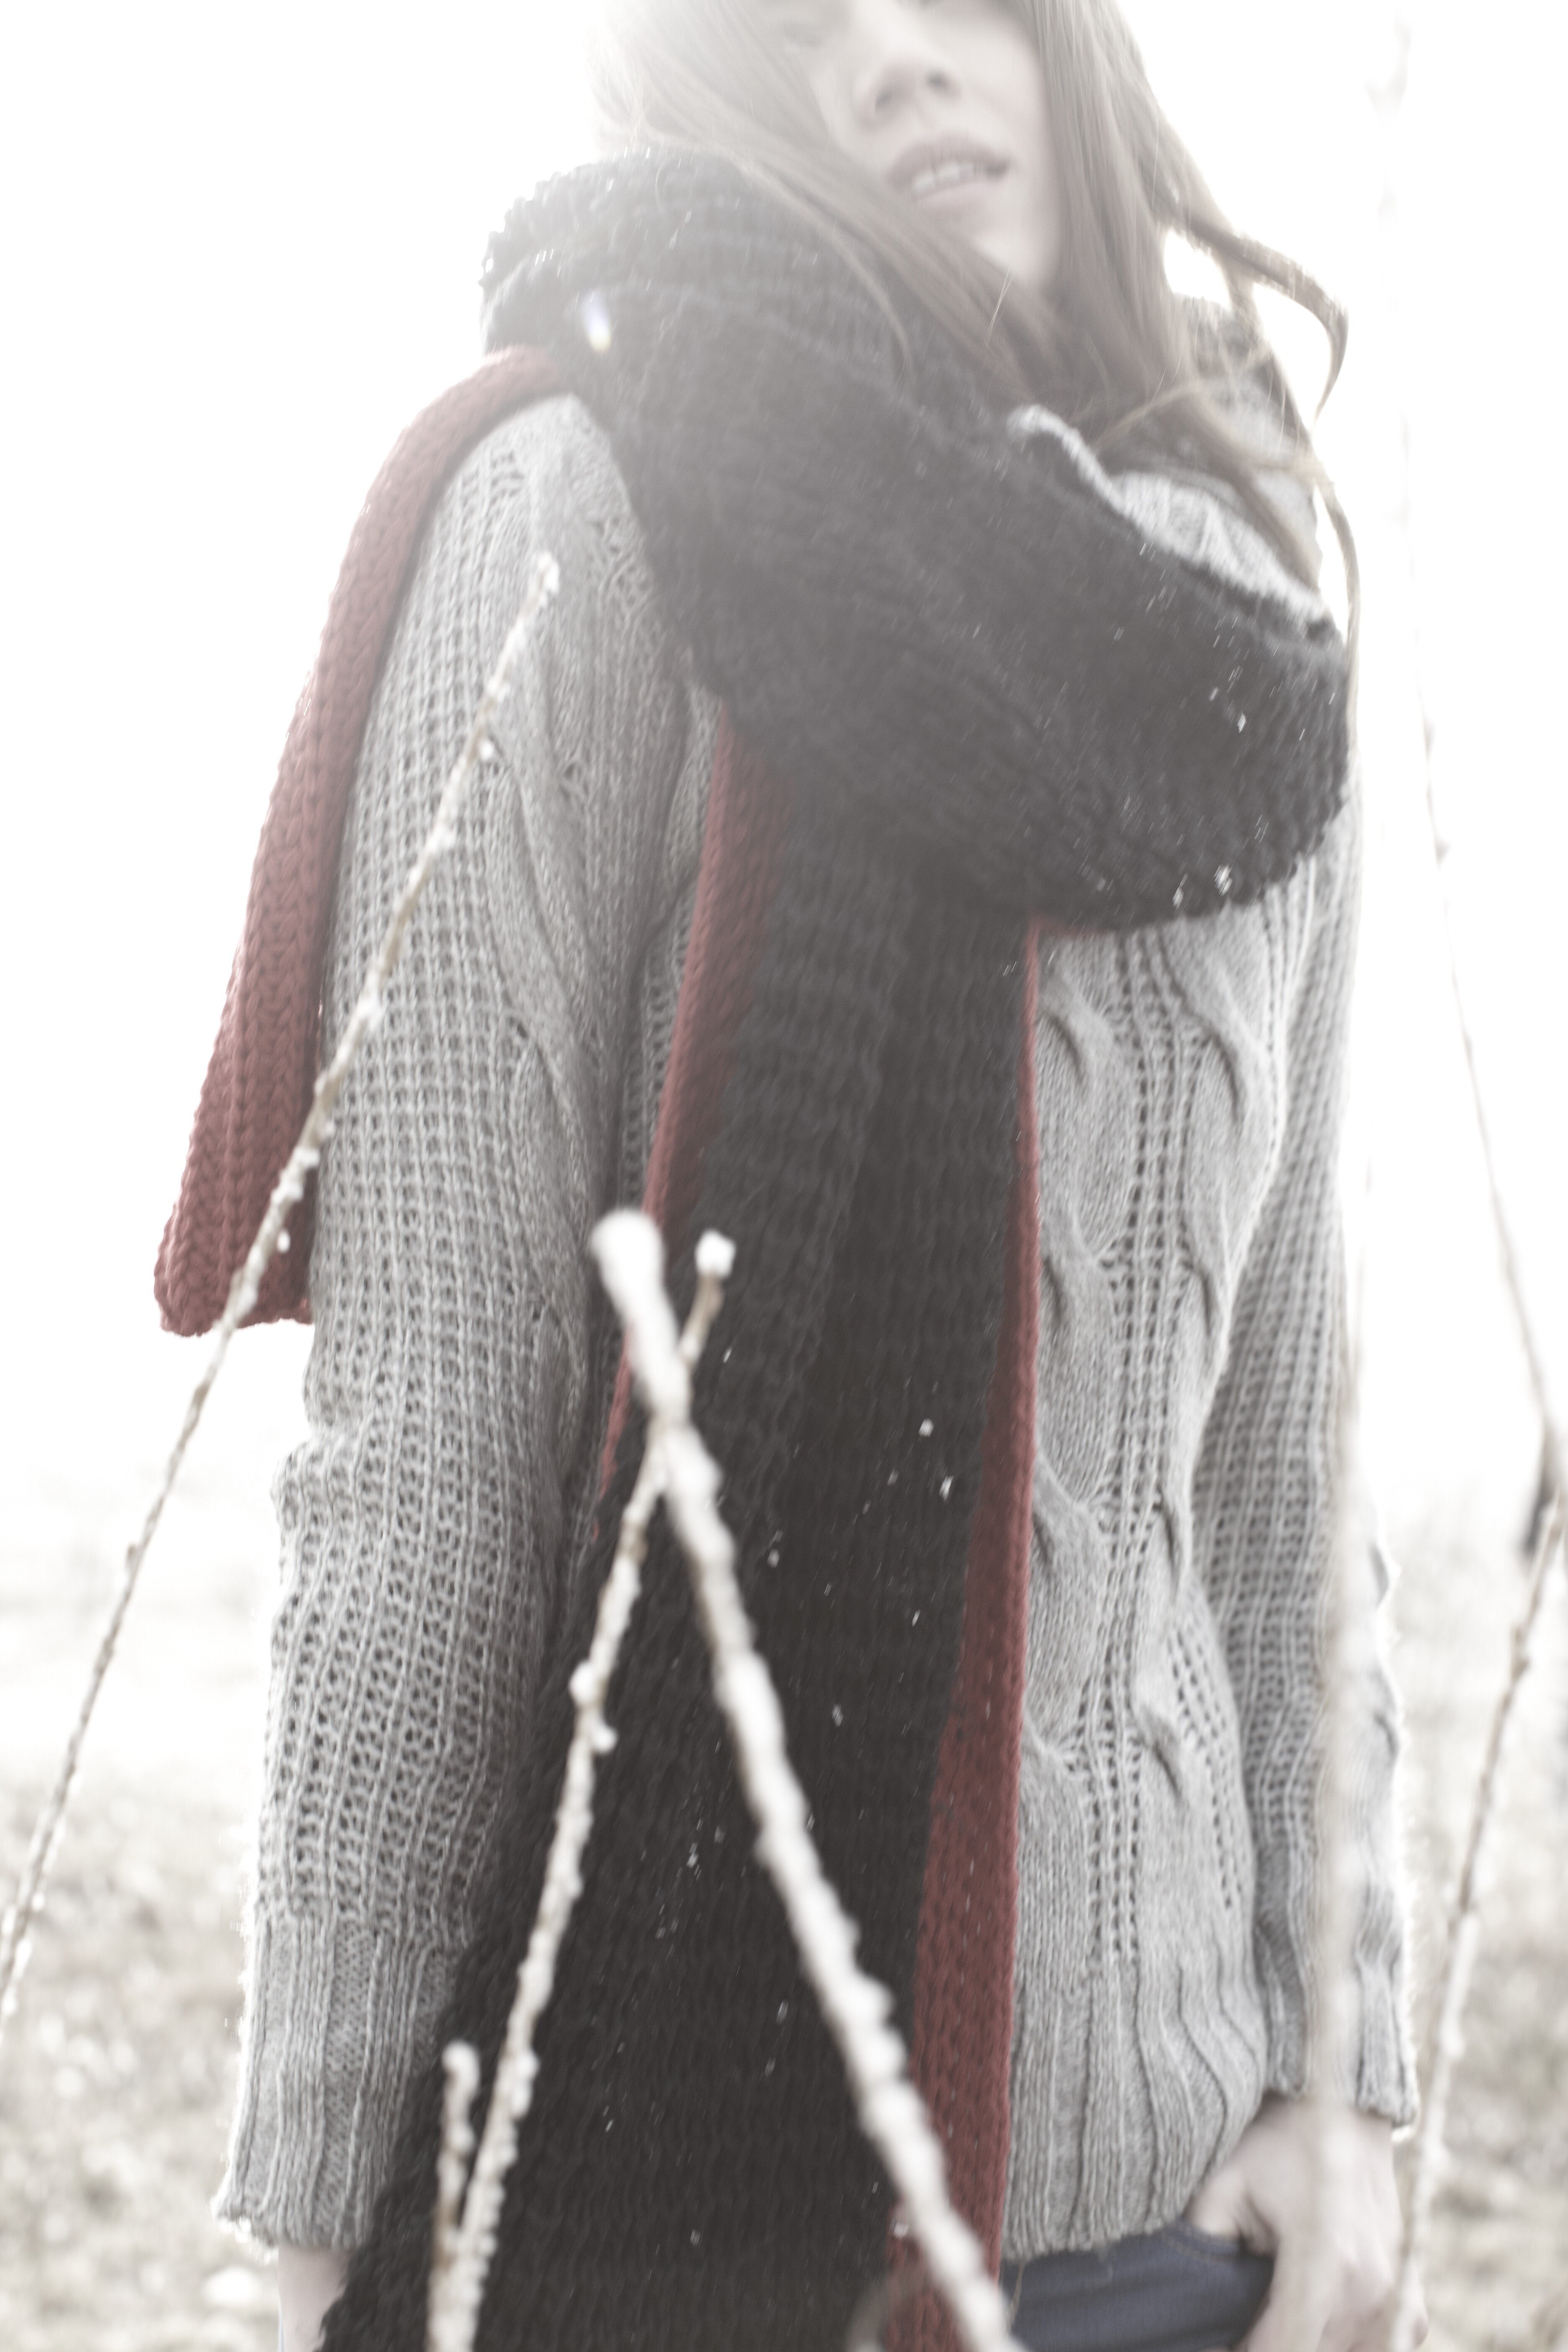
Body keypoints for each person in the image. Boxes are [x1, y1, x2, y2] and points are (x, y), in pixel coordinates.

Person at [157, 4, 1425, 2348]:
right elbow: (426, 1428)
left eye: (954, 1)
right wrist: (337, 2204)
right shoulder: (573, 521)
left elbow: (1275, 1425)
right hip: (655, 2222)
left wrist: (1342, 2076)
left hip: (1171, 2230)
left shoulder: (1249, 623)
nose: (902, 65)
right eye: (804, 26)